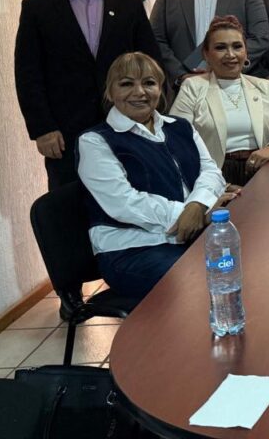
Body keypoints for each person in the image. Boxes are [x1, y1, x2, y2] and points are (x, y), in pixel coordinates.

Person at [15, 0, 161, 189]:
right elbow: (28, 75)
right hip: (66, 134)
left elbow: (151, 63)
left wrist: (152, 116)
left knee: (134, 194)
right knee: (72, 204)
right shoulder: (37, 8)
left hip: (126, 124)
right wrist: (42, 129)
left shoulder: (129, 4)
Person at [77, 52, 227, 301]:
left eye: (149, 82)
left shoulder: (180, 127)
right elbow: (124, 203)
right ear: (110, 92)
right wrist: (190, 215)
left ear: (160, 88)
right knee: (203, 281)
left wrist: (197, 206)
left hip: (189, 235)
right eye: (126, 84)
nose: (139, 92)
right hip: (132, 250)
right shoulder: (95, 141)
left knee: (240, 261)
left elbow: (210, 172)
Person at [169, 16, 269, 187]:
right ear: (206, 54)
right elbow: (176, 140)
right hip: (212, 176)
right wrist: (212, 185)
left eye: (237, 46)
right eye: (220, 47)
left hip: (259, 169)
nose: (230, 55)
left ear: (246, 52)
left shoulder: (262, 86)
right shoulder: (192, 87)